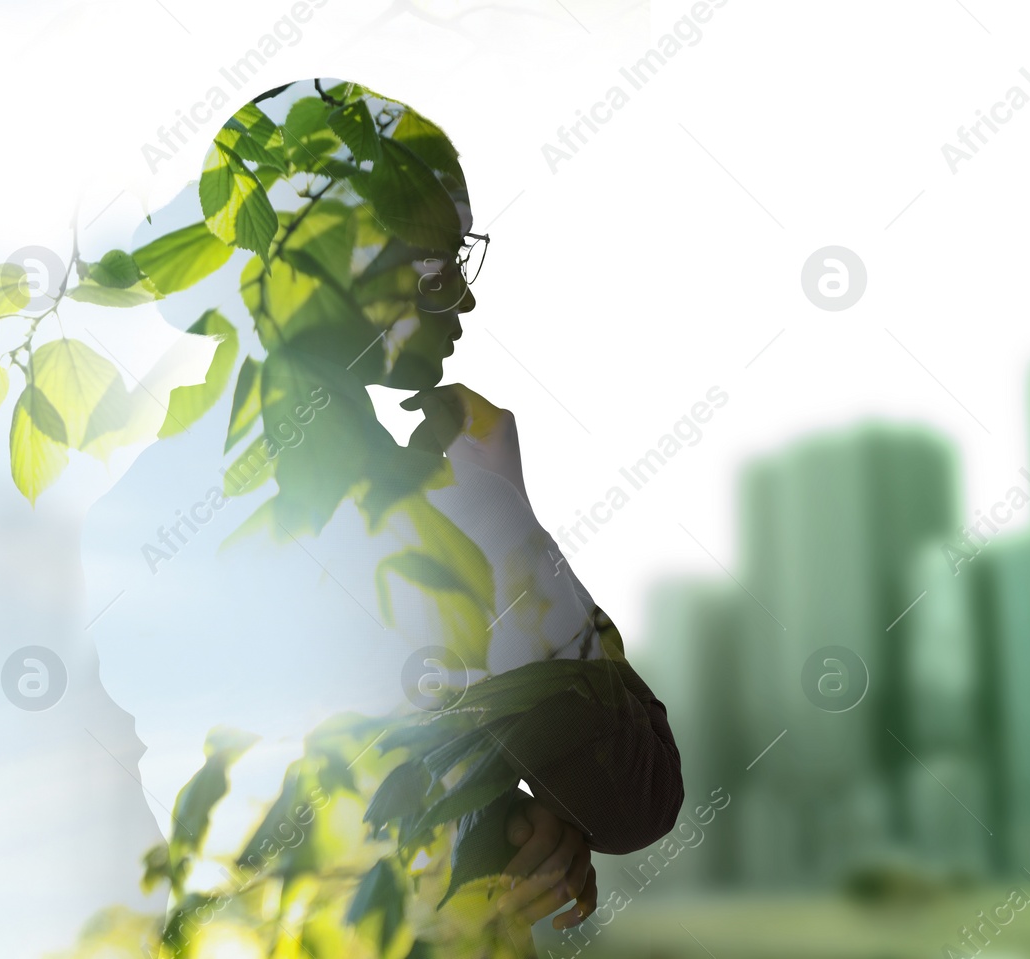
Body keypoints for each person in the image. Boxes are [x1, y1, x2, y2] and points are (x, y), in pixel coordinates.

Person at [82, 77, 682, 952]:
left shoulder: (149, 510)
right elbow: (637, 795)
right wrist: (501, 520)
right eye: (431, 269)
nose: (462, 301)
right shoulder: (411, 509)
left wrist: (505, 813)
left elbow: (621, 799)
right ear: (326, 255)